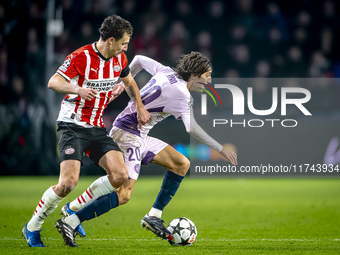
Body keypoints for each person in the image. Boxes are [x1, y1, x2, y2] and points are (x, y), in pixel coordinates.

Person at [55, 52, 238, 247]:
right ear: (194, 75)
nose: (209, 80)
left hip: (137, 132)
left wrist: (121, 84)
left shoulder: (166, 71)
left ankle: (154, 216)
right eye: (206, 75)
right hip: (128, 133)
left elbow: (139, 59)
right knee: (124, 194)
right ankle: (71, 221)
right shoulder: (183, 96)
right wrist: (219, 148)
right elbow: (191, 128)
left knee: (181, 163)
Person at [22, 15, 151, 248]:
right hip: (71, 126)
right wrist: (77, 89)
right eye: (123, 42)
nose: (126, 47)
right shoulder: (80, 57)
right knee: (67, 183)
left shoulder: (119, 58)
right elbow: (53, 82)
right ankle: (32, 226)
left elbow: (130, 83)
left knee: (120, 176)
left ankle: (72, 209)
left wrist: (140, 108)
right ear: (110, 40)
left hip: (96, 127)